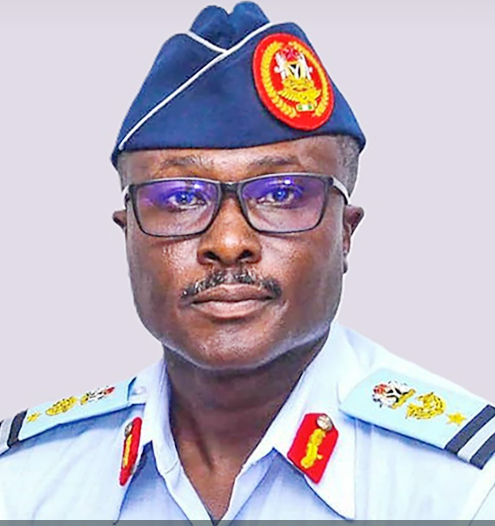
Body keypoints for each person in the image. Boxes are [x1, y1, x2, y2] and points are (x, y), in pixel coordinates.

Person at [0, 2, 494, 520]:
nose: (230, 241)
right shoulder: (28, 482)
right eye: (179, 198)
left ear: (345, 233)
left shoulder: (465, 490)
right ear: (129, 236)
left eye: (282, 194)